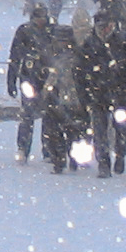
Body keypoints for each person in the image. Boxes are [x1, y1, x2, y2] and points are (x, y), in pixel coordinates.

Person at [79, 8, 126, 178]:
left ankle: (121, 154)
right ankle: (103, 162)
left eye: (107, 26)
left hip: (121, 93)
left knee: (122, 128)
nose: (104, 30)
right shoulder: (89, 44)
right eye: (101, 26)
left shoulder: (124, 43)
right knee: (99, 130)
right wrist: (85, 93)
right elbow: (79, 71)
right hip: (98, 94)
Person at [39, 16, 90, 172]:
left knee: (74, 132)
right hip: (55, 97)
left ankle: (72, 159)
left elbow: (85, 77)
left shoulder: (79, 56)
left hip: (74, 99)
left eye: (64, 40)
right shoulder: (48, 53)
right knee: (54, 132)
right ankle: (58, 161)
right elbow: (41, 74)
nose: (62, 43)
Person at [6, 3, 54, 165]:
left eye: (43, 17)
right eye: (37, 17)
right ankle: (23, 148)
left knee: (49, 115)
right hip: (29, 78)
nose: (41, 20)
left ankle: (48, 149)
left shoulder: (52, 31)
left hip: (47, 78)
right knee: (27, 115)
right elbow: (15, 56)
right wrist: (11, 81)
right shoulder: (24, 31)